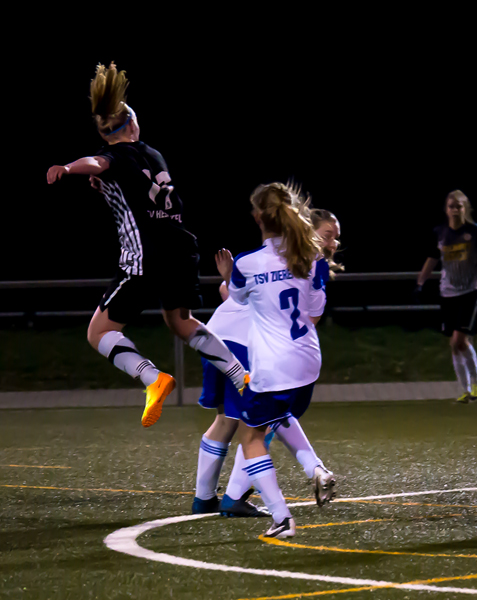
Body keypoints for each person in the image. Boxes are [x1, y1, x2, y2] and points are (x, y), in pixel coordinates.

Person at [45, 62, 248, 428]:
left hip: (146, 255)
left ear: (109, 133)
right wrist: (102, 182)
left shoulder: (115, 157)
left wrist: (70, 168)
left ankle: (152, 378)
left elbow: (96, 161)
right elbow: (123, 180)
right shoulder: (152, 155)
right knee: (181, 322)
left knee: (100, 332)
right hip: (181, 249)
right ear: (134, 123)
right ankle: (241, 376)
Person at [192, 209, 341, 517]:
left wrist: (230, 278)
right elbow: (307, 318)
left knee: (229, 420)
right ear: (308, 232)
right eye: (328, 235)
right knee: (264, 423)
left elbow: (231, 292)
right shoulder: (308, 263)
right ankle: (236, 497)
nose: (335, 242)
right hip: (245, 347)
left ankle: (204, 498)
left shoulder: (275, 258)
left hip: (217, 335)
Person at [216, 182, 332, 539]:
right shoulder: (314, 258)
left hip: (273, 366)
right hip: (308, 362)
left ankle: (282, 518)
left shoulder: (247, 264)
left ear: (257, 217)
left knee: (250, 438)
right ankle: (315, 467)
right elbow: (314, 311)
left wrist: (227, 275)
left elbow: (234, 296)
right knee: (279, 417)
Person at [415, 190, 477, 403]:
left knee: (458, 339)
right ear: (446, 209)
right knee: (455, 344)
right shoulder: (440, 233)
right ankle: (465, 388)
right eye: (451, 206)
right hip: (448, 292)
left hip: (471, 290)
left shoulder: (475, 231)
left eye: (459, 206)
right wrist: (420, 282)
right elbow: (432, 259)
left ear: (465, 209)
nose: (455, 210)